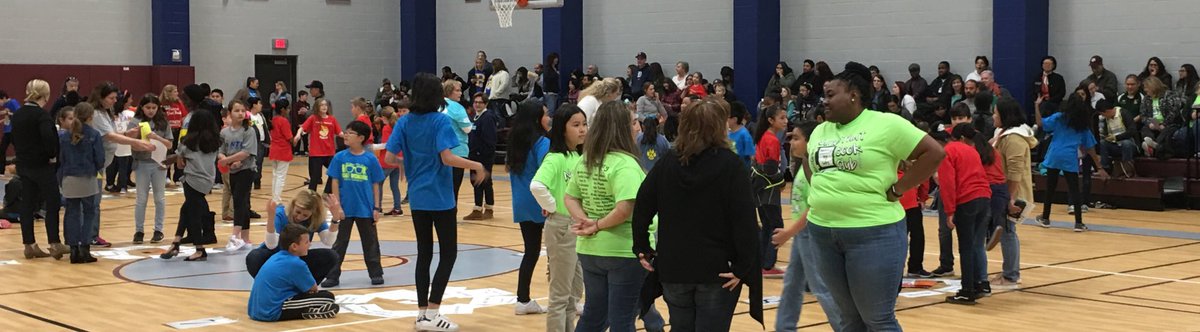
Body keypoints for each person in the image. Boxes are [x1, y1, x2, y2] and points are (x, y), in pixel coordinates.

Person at [803, 62, 944, 330]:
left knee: (877, 319)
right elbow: (808, 161)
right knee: (848, 319)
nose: (825, 101)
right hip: (822, 233)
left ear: (854, 95)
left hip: (873, 234)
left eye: (831, 95)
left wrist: (899, 189)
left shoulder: (885, 124)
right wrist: (821, 191)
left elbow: (934, 153)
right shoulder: (821, 130)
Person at [633, 99, 762, 331]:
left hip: (675, 267)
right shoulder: (731, 166)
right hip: (717, 269)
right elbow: (745, 221)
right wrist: (743, 267)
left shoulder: (668, 163)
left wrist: (641, 246)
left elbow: (642, 204)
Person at [385, 73, 487, 332]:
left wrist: (407, 164)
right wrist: (476, 165)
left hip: (418, 197)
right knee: (449, 254)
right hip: (440, 197)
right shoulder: (440, 121)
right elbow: (447, 158)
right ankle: (433, 312)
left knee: (424, 253)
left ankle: (422, 315)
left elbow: (388, 157)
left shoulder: (404, 122)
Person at [565, 100, 657, 332]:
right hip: (622, 251)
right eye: (634, 122)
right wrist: (594, 224)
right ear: (622, 128)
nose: (638, 127)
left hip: (590, 250)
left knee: (593, 317)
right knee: (622, 320)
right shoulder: (626, 165)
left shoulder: (586, 160)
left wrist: (585, 221)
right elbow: (625, 208)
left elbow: (570, 198)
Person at [771, 121, 842, 331]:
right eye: (791, 137)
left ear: (811, 141)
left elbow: (814, 207)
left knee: (821, 288)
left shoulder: (815, 168)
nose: (791, 142)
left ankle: (846, 327)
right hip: (803, 234)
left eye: (797, 138)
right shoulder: (803, 165)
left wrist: (789, 232)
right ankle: (784, 327)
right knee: (792, 283)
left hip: (811, 232)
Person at [530, 105, 587, 332]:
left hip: (579, 229)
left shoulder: (578, 155)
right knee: (560, 295)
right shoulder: (556, 157)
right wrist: (553, 207)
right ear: (562, 129)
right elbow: (536, 185)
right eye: (576, 125)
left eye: (584, 124)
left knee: (574, 293)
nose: (582, 130)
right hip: (562, 227)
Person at [502, 100, 552, 315]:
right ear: (536, 118)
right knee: (557, 254)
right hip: (542, 203)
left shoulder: (515, 141)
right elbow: (547, 173)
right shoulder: (542, 143)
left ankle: (523, 299)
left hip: (522, 203)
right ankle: (566, 298)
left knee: (530, 252)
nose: (549, 117)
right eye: (546, 114)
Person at [322, 121, 386, 287]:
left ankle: (376, 273)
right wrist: (337, 206)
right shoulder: (340, 157)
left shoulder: (370, 159)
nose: (346, 135)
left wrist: (376, 207)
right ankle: (332, 275)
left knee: (370, 242)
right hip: (345, 209)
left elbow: (376, 184)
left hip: (365, 209)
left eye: (350, 133)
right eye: (346, 131)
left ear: (361, 138)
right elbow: (334, 182)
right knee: (339, 243)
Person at [89, 82, 153, 247]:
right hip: (93, 165)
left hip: (102, 163)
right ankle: (91, 235)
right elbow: (109, 136)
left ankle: (91, 234)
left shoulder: (105, 112)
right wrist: (135, 142)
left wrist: (125, 134)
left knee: (95, 201)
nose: (114, 101)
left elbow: (111, 133)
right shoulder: (96, 114)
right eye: (111, 98)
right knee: (93, 201)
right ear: (101, 98)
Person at [1035, 92, 1110, 232]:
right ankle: (1078, 223)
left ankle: (1045, 217)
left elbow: (1040, 123)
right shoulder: (1082, 124)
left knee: (1050, 188)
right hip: (1069, 156)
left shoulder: (1059, 117)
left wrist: (1036, 106)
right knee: (1074, 189)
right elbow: (1090, 148)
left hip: (1054, 154)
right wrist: (1099, 167)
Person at [938, 123, 994, 305]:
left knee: (966, 247)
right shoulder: (973, 151)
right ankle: (978, 284)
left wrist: (949, 211)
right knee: (976, 244)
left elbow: (947, 183)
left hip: (966, 200)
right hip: (984, 198)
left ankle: (967, 290)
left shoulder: (949, 151)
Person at [13, 79, 68, 259]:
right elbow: (49, 139)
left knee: (27, 205)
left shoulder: (18, 114)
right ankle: (54, 243)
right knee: (52, 203)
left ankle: (29, 244)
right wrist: (52, 155)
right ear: (46, 94)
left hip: (24, 165)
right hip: (42, 166)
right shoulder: (42, 116)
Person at [161, 107, 222, 261]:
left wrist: (172, 159)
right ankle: (176, 242)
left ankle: (199, 249)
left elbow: (180, 164)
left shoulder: (187, 143)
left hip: (192, 180)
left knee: (193, 214)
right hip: (208, 180)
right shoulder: (215, 142)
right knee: (187, 208)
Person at [247, 223, 340, 322]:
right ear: (294, 246)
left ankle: (310, 310)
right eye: (306, 242)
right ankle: (307, 312)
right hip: (271, 312)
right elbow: (312, 288)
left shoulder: (276, 256)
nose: (310, 244)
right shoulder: (296, 263)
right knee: (328, 297)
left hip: (254, 310)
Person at [990, 96, 1036, 290]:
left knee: (1008, 232)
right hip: (1002, 190)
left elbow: (1015, 173)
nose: (993, 116)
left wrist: (1010, 199)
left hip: (1012, 193)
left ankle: (1011, 275)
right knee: (1006, 231)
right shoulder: (1003, 134)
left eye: (996, 113)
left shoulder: (1015, 139)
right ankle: (1008, 270)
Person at [244, 189, 340, 280]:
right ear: (293, 205)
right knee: (254, 257)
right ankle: (271, 286)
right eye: (298, 212)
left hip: (298, 257)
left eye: (305, 215)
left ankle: (306, 288)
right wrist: (271, 218)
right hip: (275, 256)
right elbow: (271, 245)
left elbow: (328, 241)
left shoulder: (315, 218)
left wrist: (335, 219)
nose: (299, 217)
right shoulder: (281, 214)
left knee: (331, 256)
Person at [57, 104, 104, 264]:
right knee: (89, 212)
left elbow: (60, 159)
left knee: (72, 212)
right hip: (87, 177)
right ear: (90, 116)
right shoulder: (94, 134)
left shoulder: (64, 136)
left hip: (68, 177)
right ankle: (85, 247)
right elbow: (100, 159)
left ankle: (73, 250)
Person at [130, 94, 173, 244]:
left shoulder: (163, 122)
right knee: (141, 198)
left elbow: (169, 144)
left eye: (154, 108)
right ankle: (139, 230)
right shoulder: (135, 122)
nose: (151, 110)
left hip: (159, 163)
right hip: (142, 163)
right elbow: (130, 142)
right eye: (148, 107)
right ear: (141, 107)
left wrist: (156, 137)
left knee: (159, 198)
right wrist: (136, 137)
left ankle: (158, 230)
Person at [752, 105, 788, 278]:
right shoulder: (771, 139)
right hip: (768, 188)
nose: (786, 121)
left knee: (767, 224)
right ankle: (767, 265)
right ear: (771, 120)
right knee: (775, 225)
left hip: (759, 186)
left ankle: (762, 263)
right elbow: (770, 168)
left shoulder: (763, 136)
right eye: (782, 118)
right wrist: (781, 181)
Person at [221, 100, 258, 250]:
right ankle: (245, 238)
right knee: (244, 203)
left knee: (239, 200)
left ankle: (235, 236)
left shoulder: (249, 131)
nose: (240, 113)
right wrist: (225, 160)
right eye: (237, 111)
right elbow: (220, 150)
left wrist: (230, 160)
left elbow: (246, 152)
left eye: (243, 111)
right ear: (230, 113)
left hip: (247, 170)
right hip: (233, 171)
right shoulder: (224, 132)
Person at [464, 93, 499, 221]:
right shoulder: (475, 117)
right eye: (475, 102)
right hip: (474, 156)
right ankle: (478, 208)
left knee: (484, 182)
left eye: (480, 102)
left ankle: (487, 208)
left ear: (486, 104)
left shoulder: (488, 117)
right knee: (476, 182)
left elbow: (489, 139)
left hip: (483, 156)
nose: (477, 104)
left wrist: (482, 154)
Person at [295, 98, 340, 191]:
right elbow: (302, 128)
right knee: (315, 178)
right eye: (322, 105)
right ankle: (311, 196)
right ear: (317, 107)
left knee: (335, 171)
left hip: (329, 152)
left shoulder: (332, 119)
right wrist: (298, 135)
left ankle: (327, 192)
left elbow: (340, 133)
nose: (324, 107)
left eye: (325, 105)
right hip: (316, 153)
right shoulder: (313, 118)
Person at [1139, 76, 1186, 158]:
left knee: (1166, 132)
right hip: (1154, 123)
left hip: (1169, 123)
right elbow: (1143, 115)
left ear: (1153, 86)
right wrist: (1149, 123)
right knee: (1145, 129)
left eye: (1146, 87)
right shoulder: (1146, 98)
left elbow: (1174, 112)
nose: (1145, 90)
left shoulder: (1169, 95)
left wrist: (1164, 124)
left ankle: (1154, 147)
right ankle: (1150, 143)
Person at [1096, 99, 1139, 177]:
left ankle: (1127, 169)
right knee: (1103, 143)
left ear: (1107, 111)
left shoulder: (1124, 113)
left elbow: (1132, 131)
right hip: (1114, 145)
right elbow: (1103, 134)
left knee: (1126, 143)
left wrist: (1116, 137)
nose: (1103, 116)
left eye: (1103, 114)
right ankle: (1105, 168)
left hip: (1129, 143)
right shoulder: (1104, 120)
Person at [375, 105, 405, 216]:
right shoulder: (398, 126)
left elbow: (387, 145)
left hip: (387, 161)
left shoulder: (387, 128)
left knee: (378, 183)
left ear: (384, 117)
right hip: (398, 160)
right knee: (394, 186)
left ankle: (378, 207)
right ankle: (397, 208)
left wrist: (373, 147)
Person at [160, 85, 188, 186]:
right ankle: (165, 175)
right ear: (169, 92)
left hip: (178, 130)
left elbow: (184, 115)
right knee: (166, 153)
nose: (177, 93)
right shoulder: (162, 104)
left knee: (178, 152)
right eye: (175, 91)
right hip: (167, 131)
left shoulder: (179, 103)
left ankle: (177, 176)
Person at [248, 97, 269, 190]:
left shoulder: (261, 116)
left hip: (261, 143)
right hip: (252, 143)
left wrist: (268, 141)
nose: (261, 105)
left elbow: (265, 129)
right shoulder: (248, 116)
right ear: (254, 105)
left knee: (259, 163)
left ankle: (257, 182)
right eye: (259, 103)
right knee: (253, 162)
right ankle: (250, 181)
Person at [728, 102, 755, 167]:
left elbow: (752, 156)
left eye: (727, 117)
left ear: (734, 119)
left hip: (741, 171)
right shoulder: (726, 132)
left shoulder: (744, 134)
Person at [293, 90, 311, 156]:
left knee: (305, 138)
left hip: (305, 123)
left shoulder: (307, 105)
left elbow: (309, 115)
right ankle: (296, 151)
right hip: (298, 123)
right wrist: (297, 123)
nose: (306, 97)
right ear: (301, 96)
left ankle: (306, 150)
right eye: (305, 96)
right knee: (298, 137)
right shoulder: (296, 105)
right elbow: (294, 115)